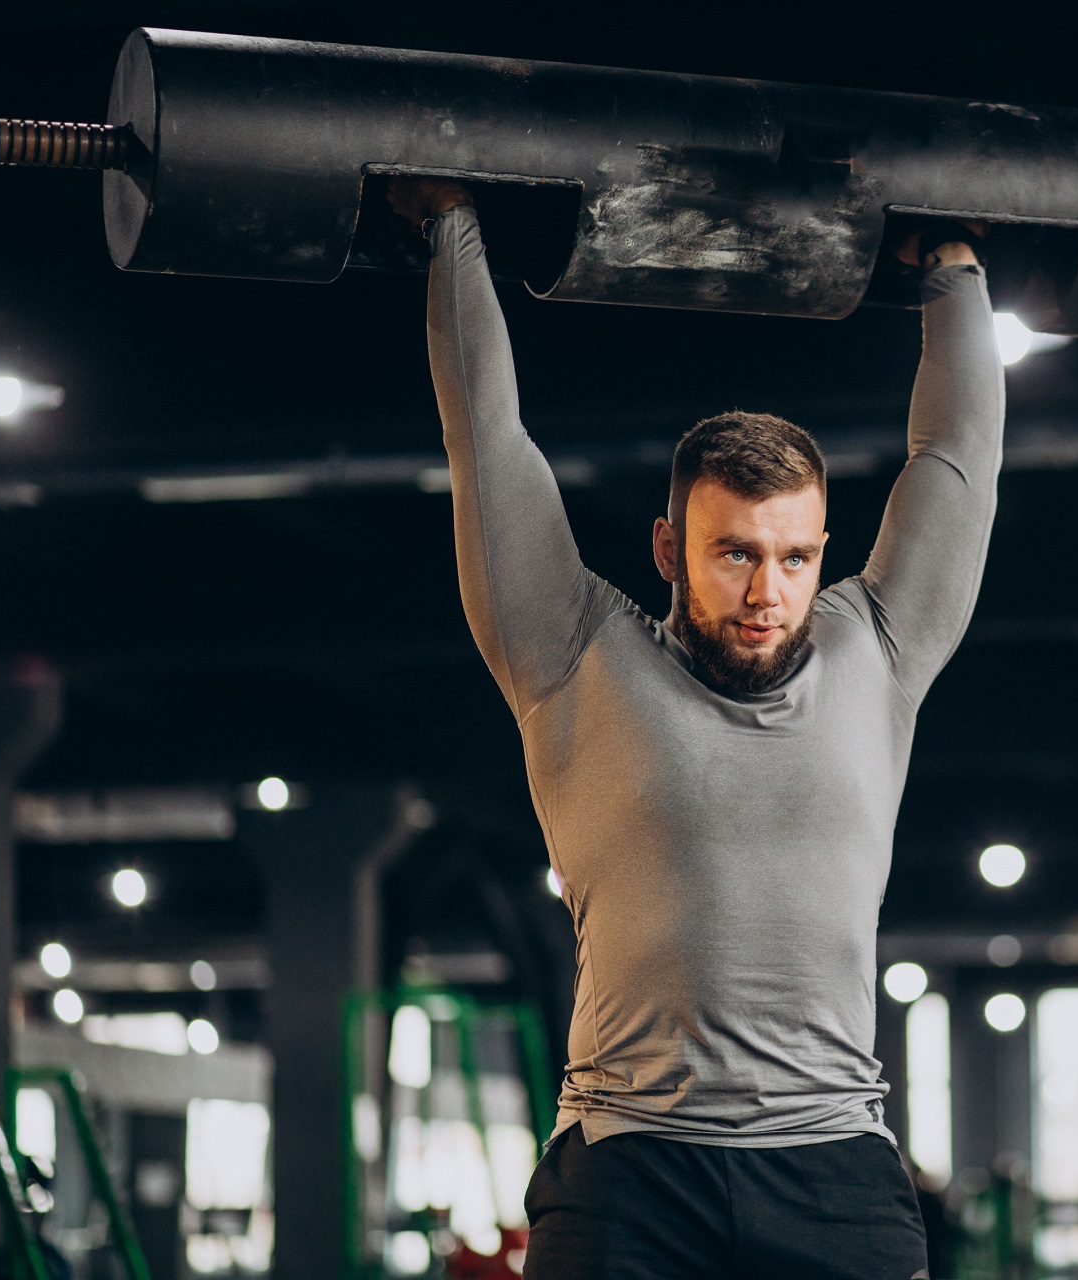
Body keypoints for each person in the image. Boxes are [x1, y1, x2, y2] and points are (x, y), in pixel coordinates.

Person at [388, 175, 1004, 1280]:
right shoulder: (573, 651)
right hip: (630, 1173)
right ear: (671, 548)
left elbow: (956, 459)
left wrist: (954, 274)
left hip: (835, 1172)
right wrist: (453, 229)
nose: (768, 588)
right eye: (735, 553)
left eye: (796, 556)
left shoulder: (880, 650)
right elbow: (488, 440)